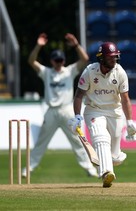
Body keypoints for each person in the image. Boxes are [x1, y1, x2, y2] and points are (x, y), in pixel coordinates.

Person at [23, 33, 98, 178]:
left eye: (61, 60)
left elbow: (85, 59)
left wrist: (76, 45)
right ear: (51, 61)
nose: (58, 63)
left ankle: (90, 168)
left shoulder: (69, 71)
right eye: (56, 60)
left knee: (78, 140)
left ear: (64, 60)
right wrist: (38, 45)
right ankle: (28, 169)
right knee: (41, 143)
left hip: (67, 110)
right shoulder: (46, 72)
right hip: (51, 112)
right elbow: (31, 61)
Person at [70, 42, 136, 188]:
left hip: (114, 112)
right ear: (102, 58)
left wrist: (130, 121)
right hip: (94, 110)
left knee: (114, 155)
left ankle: (113, 158)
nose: (114, 60)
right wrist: (77, 116)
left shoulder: (120, 72)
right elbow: (78, 96)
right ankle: (106, 173)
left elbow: (125, 98)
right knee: (101, 138)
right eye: (111, 57)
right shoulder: (89, 71)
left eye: (115, 57)